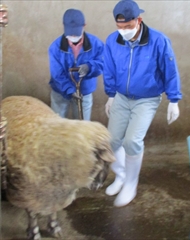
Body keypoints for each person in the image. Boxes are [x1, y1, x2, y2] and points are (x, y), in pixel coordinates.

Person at [103, 0, 182, 207]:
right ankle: (120, 175)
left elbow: (169, 70)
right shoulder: (112, 41)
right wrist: (111, 95)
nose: (123, 31)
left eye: (128, 27)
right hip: (121, 97)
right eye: (119, 27)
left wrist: (173, 99)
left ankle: (131, 183)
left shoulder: (158, 41)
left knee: (132, 141)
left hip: (146, 99)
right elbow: (109, 69)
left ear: (139, 20)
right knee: (112, 141)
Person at [48, 8, 104, 120]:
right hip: (60, 90)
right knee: (57, 125)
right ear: (63, 26)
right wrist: (69, 89)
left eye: (76, 32)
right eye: (70, 32)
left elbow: (103, 62)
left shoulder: (96, 44)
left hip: (84, 90)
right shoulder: (55, 47)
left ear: (84, 25)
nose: (73, 35)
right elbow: (57, 74)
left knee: (82, 126)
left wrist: (89, 67)